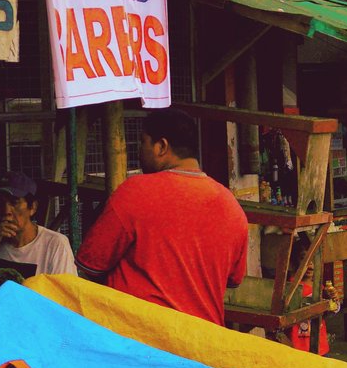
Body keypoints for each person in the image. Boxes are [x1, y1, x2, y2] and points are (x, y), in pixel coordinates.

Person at [77, 107, 247, 325]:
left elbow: (90, 265)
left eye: (143, 142)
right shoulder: (232, 207)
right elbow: (233, 280)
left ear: (161, 147)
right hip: (202, 346)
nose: (139, 151)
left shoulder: (135, 192)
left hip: (139, 342)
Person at [0, 171, 77, 304]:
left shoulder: (54, 243)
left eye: (14, 202)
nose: (6, 211)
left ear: (32, 207)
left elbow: (64, 302)